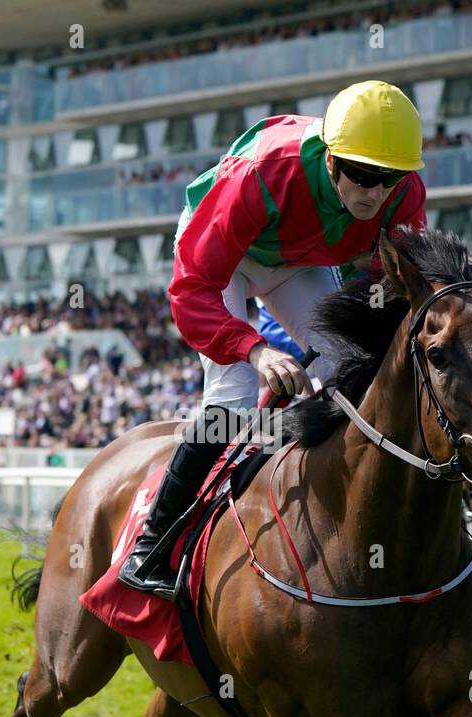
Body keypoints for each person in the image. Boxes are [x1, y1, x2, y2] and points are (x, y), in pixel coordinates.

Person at [119, 80, 427, 596]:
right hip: (221, 257)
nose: (374, 192)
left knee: (351, 368)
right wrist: (253, 349)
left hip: (295, 261)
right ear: (330, 159)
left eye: (389, 179)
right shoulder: (262, 172)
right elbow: (192, 290)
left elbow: (392, 290)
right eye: (362, 175)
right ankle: (149, 548)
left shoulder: (404, 197)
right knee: (236, 398)